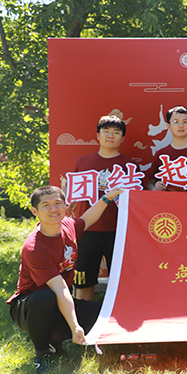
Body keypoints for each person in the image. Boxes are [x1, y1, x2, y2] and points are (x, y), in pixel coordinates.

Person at [7, 185, 122, 373]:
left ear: (65, 205)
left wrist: (107, 198)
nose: (53, 209)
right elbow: (59, 289)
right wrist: (75, 326)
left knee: (103, 314)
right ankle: (42, 354)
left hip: (59, 299)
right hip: (30, 307)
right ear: (34, 211)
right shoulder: (35, 248)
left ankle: (54, 337)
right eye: (46, 205)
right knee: (45, 297)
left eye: (58, 203)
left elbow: (87, 219)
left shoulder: (67, 225)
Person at [68, 115, 134, 301]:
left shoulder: (130, 165)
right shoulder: (82, 163)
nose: (110, 136)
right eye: (106, 131)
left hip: (119, 231)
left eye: (116, 132)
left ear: (122, 137)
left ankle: (118, 315)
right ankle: (84, 315)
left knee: (122, 281)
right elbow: (71, 191)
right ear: (98, 135)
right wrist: (68, 200)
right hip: (87, 229)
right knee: (83, 280)